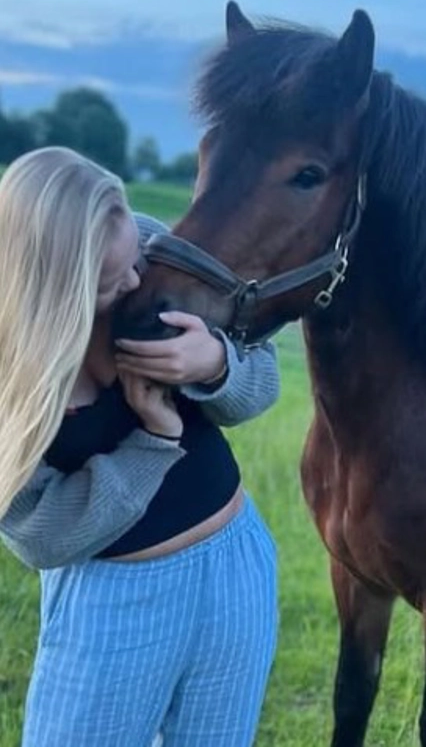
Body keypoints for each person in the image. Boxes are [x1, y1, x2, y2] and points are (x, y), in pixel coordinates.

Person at [0, 146, 279, 747]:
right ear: (57, 284)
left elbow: (264, 379)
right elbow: (41, 536)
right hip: (113, 601)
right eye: (111, 282)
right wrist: (153, 441)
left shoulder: (151, 252)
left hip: (236, 568)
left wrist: (215, 364)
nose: (135, 280)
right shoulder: (8, 362)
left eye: (134, 260)